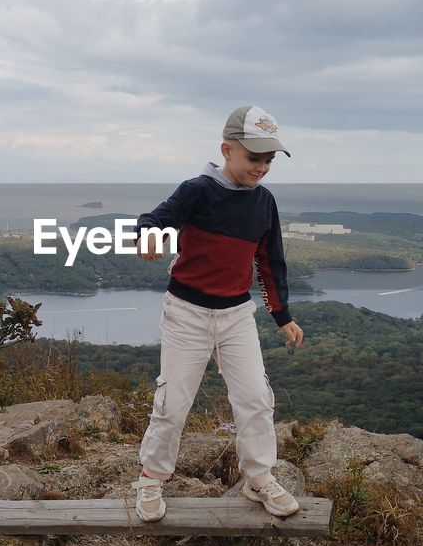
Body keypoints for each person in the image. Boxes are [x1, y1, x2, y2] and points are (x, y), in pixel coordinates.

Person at [130, 105, 305, 521]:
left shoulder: (264, 203)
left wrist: (282, 315)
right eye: (253, 157)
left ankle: (259, 479)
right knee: (173, 401)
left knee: (256, 400)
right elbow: (156, 218)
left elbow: (269, 261)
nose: (261, 167)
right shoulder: (198, 190)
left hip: (235, 315)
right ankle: (151, 478)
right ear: (227, 150)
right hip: (186, 312)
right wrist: (148, 232)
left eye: (268, 160)